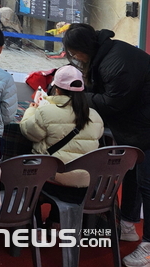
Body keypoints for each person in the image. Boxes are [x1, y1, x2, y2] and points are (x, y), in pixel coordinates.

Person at [63, 24, 150, 267]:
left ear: (82, 49)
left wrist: (79, 98)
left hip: (144, 126)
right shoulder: (107, 54)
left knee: (147, 185)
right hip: (136, 128)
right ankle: (128, 225)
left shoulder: (116, 63)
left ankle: (149, 247)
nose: (75, 59)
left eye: (74, 53)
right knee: (132, 175)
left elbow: (113, 103)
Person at [20, 65, 104, 200]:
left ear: (57, 89)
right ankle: (56, 219)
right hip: (87, 184)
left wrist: (31, 110)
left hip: (54, 182)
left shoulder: (45, 112)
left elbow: (28, 132)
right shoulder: (95, 116)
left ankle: (31, 216)